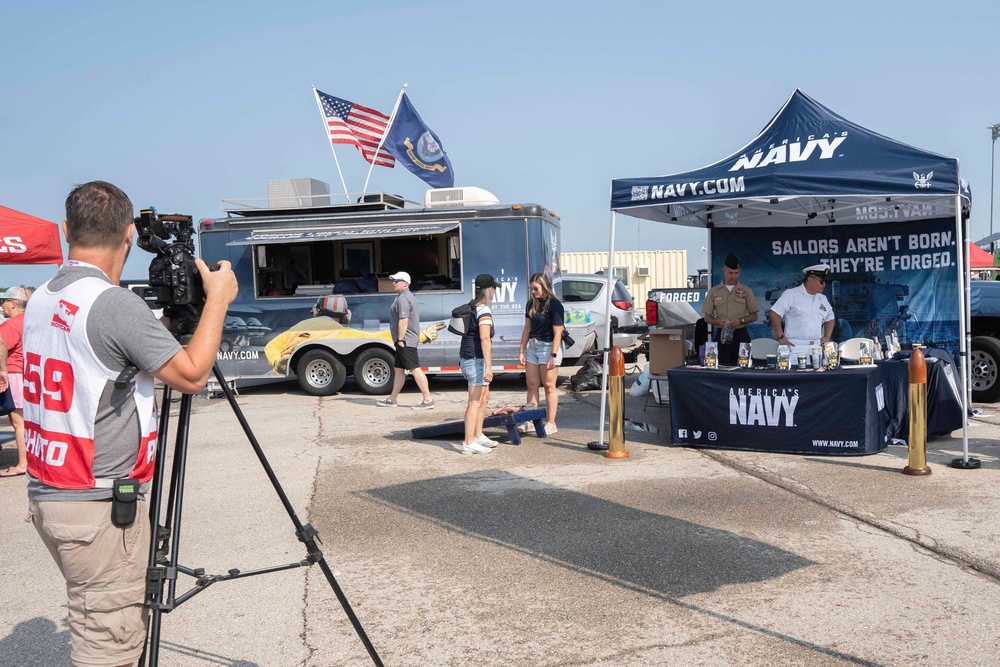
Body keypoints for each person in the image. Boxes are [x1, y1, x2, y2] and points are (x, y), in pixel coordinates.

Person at [23, 181, 238, 667]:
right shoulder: (114, 305)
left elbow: (111, 355)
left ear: (65, 231)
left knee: (91, 614)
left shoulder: (43, 297)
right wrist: (218, 300)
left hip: (50, 492)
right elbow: (192, 376)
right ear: (127, 235)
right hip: (96, 503)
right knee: (107, 643)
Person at [263, 293, 444, 375]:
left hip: (288, 360)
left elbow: (272, 346)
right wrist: (423, 335)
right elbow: (380, 338)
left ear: (317, 311)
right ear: (345, 316)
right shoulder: (340, 332)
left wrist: (278, 361)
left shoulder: (301, 325)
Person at [376, 271, 436, 409]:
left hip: (405, 341)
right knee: (398, 369)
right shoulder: (404, 297)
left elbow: (403, 320)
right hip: (405, 340)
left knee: (415, 369)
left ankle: (428, 400)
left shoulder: (403, 298)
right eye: (394, 280)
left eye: (396, 280)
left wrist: (400, 339)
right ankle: (392, 399)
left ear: (405, 283)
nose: (393, 283)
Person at [518, 272, 564, 435]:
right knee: (532, 385)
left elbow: (558, 333)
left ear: (544, 287)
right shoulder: (531, 304)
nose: (533, 291)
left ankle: (551, 423)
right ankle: (530, 420)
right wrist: (521, 350)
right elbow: (527, 329)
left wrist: (553, 355)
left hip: (549, 346)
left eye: (535, 288)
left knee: (549, 386)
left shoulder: (555, 305)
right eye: (531, 288)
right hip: (533, 347)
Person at [459, 274, 499, 454]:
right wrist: (489, 366)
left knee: (484, 397)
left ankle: (478, 435)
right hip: (475, 359)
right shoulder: (483, 310)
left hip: (472, 358)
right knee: (474, 401)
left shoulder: (472, 306)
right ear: (490, 290)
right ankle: (468, 442)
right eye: (494, 289)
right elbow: (484, 338)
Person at [769, 263, 835, 364]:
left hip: (817, 348)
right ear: (810, 279)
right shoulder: (792, 294)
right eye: (822, 281)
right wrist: (780, 336)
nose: (824, 284)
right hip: (796, 348)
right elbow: (774, 313)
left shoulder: (823, 299)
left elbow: (830, 318)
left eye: (825, 281)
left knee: (818, 378)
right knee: (795, 378)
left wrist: (826, 336)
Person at [702, 253, 759, 365]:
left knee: (744, 368)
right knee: (721, 367)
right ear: (724, 271)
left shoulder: (746, 291)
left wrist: (741, 320)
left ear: (740, 272)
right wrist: (718, 321)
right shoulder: (714, 292)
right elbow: (707, 318)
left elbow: (754, 315)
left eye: (736, 273)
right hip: (721, 334)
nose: (733, 276)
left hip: (741, 334)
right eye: (731, 273)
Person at [0, 286, 29, 476]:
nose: (2, 305)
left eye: (4, 301)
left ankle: (23, 464)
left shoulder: (10, 325)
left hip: (14, 374)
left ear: (13, 303)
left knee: (18, 421)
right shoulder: (30, 321)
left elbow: (2, 345)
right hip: (28, 373)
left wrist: (2, 370)